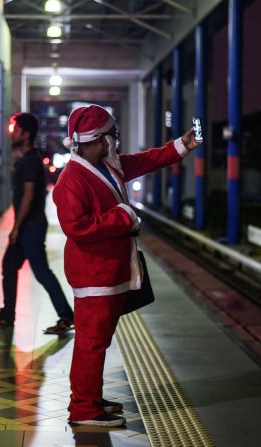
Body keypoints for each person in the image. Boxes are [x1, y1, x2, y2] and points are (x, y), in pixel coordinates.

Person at [52, 104, 202, 426]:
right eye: (113, 135)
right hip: (95, 273)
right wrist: (123, 216)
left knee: (97, 341)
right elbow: (77, 227)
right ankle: (83, 409)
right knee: (91, 343)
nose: (116, 141)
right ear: (100, 138)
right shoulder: (72, 180)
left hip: (109, 270)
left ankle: (91, 397)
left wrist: (179, 146)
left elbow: (145, 160)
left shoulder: (108, 166)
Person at [0, 112, 75, 334]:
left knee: (41, 271)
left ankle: (66, 316)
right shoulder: (25, 159)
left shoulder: (31, 161)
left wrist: (16, 227)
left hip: (31, 227)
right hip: (28, 226)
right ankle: (7, 314)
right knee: (9, 266)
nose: (13, 134)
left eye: (16, 130)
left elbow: (29, 196)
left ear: (27, 134)